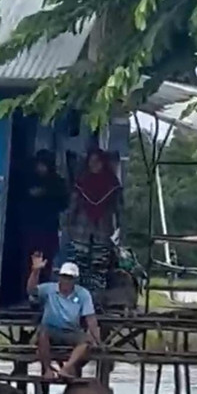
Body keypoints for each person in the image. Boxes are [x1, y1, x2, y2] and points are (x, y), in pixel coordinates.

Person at [27, 253, 100, 379]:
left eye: (70, 278)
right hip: (51, 330)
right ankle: (47, 370)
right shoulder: (49, 289)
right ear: (59, 277)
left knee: (86, 341)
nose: (66, 280)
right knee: (42, 333)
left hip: (71, 331)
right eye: (64, 277)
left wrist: (97, 340)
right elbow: (31, 290)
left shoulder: (83, 294)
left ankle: (66, 368)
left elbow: (91, 319)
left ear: (75, 280)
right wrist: (35, 271)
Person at [67, 148, 122, 293]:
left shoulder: (112, 183)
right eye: (91, 162)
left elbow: (119, 208)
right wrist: (68, 223)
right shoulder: (82, 181)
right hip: (81, 229)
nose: (94, 165)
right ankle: (77, 297)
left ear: (103, 163)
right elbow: (73, 205)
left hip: (103, 229)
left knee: (99, 265)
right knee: (79, 264)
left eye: (97, 162)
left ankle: (96, 300)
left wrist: (120, 228)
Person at [19, 150, 68, 291]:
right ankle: (26, 293)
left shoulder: (57, 183)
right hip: (30, 228)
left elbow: (64, 203)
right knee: (28, 263)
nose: (40, 168)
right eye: (38, 164)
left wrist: (46, 193)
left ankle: (42, 294)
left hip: (48, 229)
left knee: (46, 263)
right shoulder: (28, 180)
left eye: (43, 164)